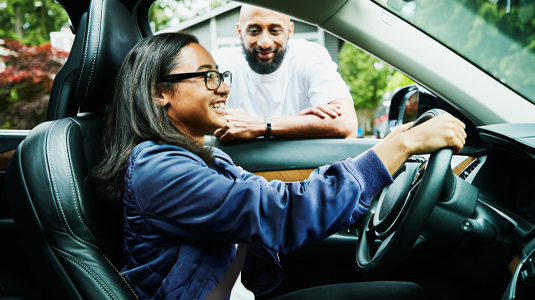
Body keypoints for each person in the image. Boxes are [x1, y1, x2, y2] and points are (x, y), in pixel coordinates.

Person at [92, 32, 466, 300]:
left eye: (221, 75)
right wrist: (401, 146)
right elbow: (281, 213)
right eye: (207, 76)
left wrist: (385, 152)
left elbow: (271, 198)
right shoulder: (159, 169)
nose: (222, 87)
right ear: (160, 92)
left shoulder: (202, 153)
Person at [211, 5, 359, 142]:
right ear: (239, 31)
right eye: (254, 31)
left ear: (290, 30)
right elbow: (192, 122)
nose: (265, 43)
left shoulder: (310, 55)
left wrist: (259, 125)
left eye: (275, 30)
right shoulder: (220, 62)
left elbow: (346, 124)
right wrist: (299, 124)